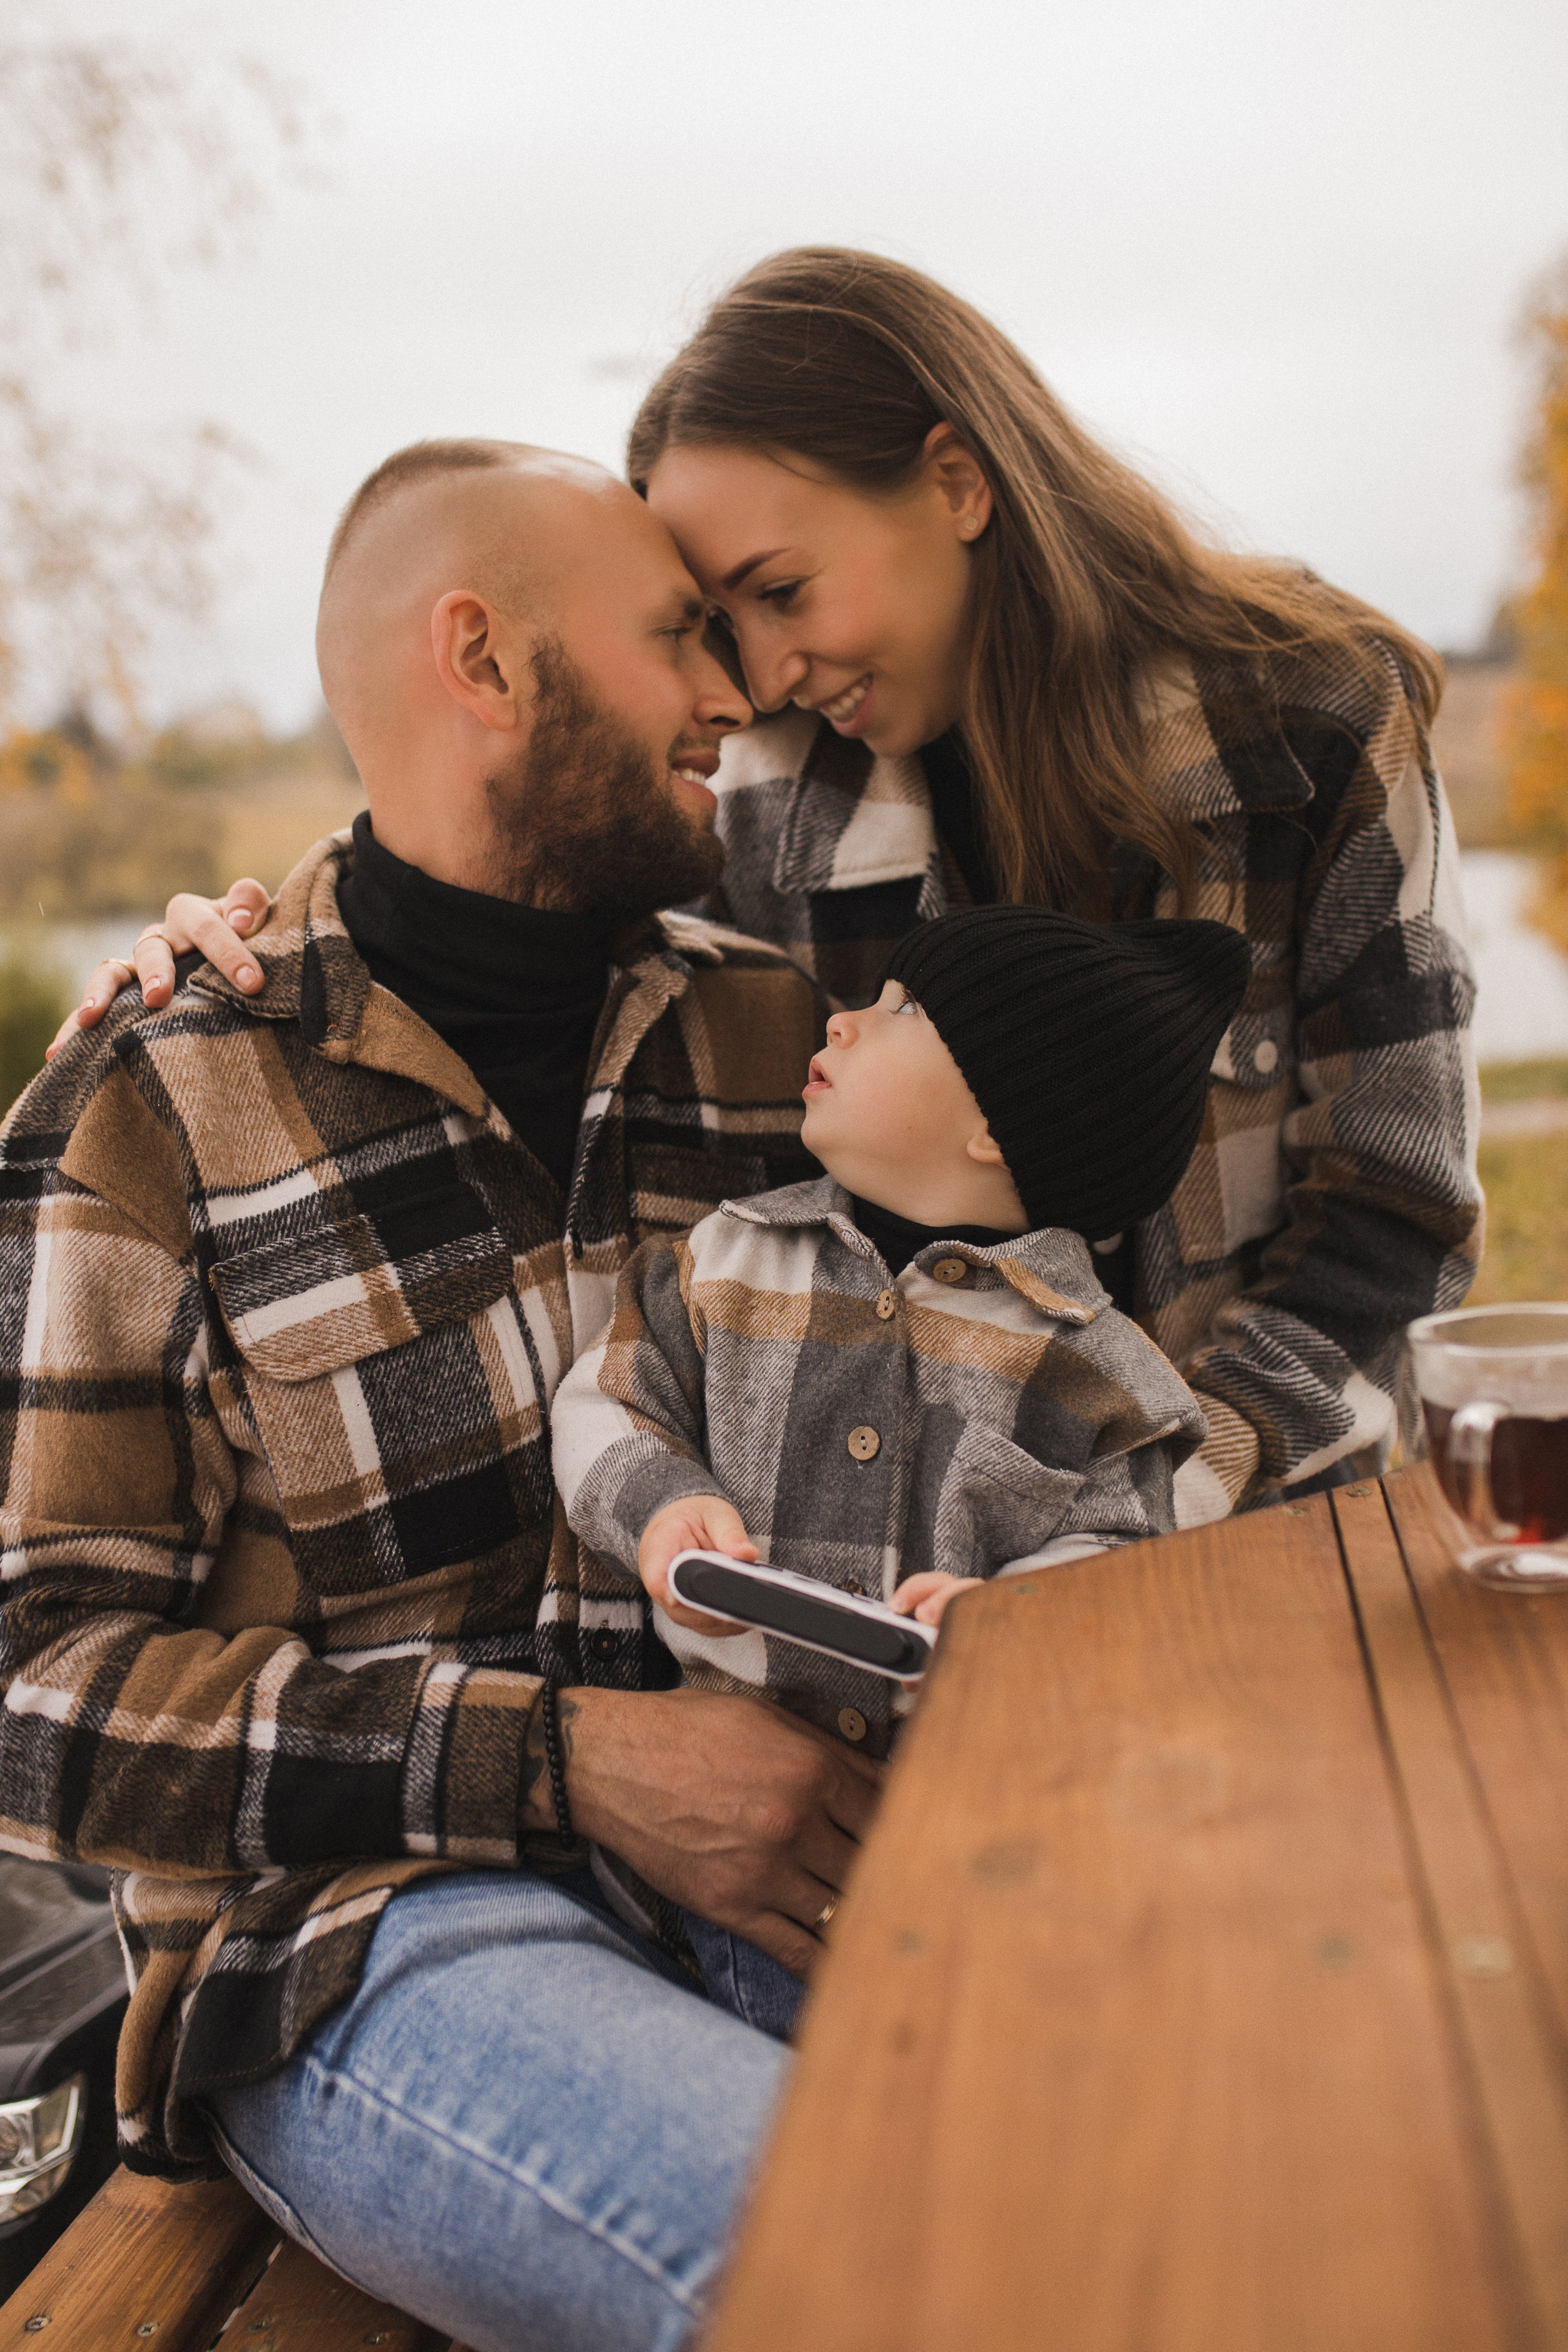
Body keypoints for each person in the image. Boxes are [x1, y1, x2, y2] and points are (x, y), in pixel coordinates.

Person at [74, 247, 1482, 1523]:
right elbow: (492, 895)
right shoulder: (768, 799)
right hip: (898, 1603)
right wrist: (259, 941)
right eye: (712, 623)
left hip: (1267, 1545)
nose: (753, 676)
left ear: (956, 482)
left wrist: (1146, 1501)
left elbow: (1391, 1214)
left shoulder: (1309, 719)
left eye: (781, 592)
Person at [0, 438, 889, 2352]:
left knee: (1137, 2146)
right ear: (483, 660)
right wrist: (564, 1760)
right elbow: (37, 1700)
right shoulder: (151, 1110)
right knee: (849, 2263)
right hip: (357, 1941)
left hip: (785, 1859)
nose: (733, 700)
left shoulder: (779, 1040)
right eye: (679, 641)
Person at [552, 905, 1248, 2040]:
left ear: (996, 1122)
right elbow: (610, 1397)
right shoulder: (725, 1256)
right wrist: (660, 1506)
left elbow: (1130, 1554)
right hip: (719, 1853)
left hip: (980, 1845)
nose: (846, 1017)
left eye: (902, 1011)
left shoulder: (1092, 1361)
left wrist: (1016, 1618)